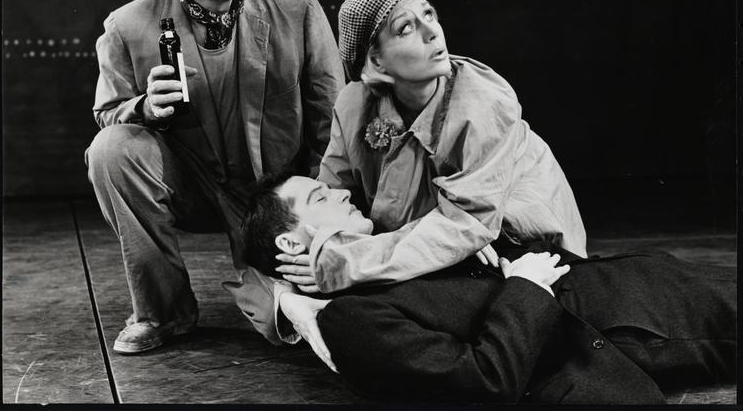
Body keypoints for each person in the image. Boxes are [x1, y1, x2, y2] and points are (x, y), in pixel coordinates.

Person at [84, 0, 343, 354]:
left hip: (276, 196)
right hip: (193, 188)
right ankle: (163, 313)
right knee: (111, 150)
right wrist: (144, 107)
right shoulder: (129, 26)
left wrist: (317, 219)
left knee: (290, 323)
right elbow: (107, 113)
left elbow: (334, 126)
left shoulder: (298, 11)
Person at [235, 173, 736, 404]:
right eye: (321, 198)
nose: (343, 191)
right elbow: (483, 381)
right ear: (291, 242)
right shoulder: (348, 319)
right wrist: (524, 288)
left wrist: (493, 259)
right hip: (639, 324)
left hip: (640, 285)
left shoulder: (392, 253)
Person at [275, 0, 586, 295]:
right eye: (406, 28)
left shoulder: (484, 106)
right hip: (426, 242)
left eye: (428, 14)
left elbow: (467, 224)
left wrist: (350, 262)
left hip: (522, 244)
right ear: (377, 63)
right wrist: (310, 262)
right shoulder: (354, 104)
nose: (433, 32)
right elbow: (334, 194)